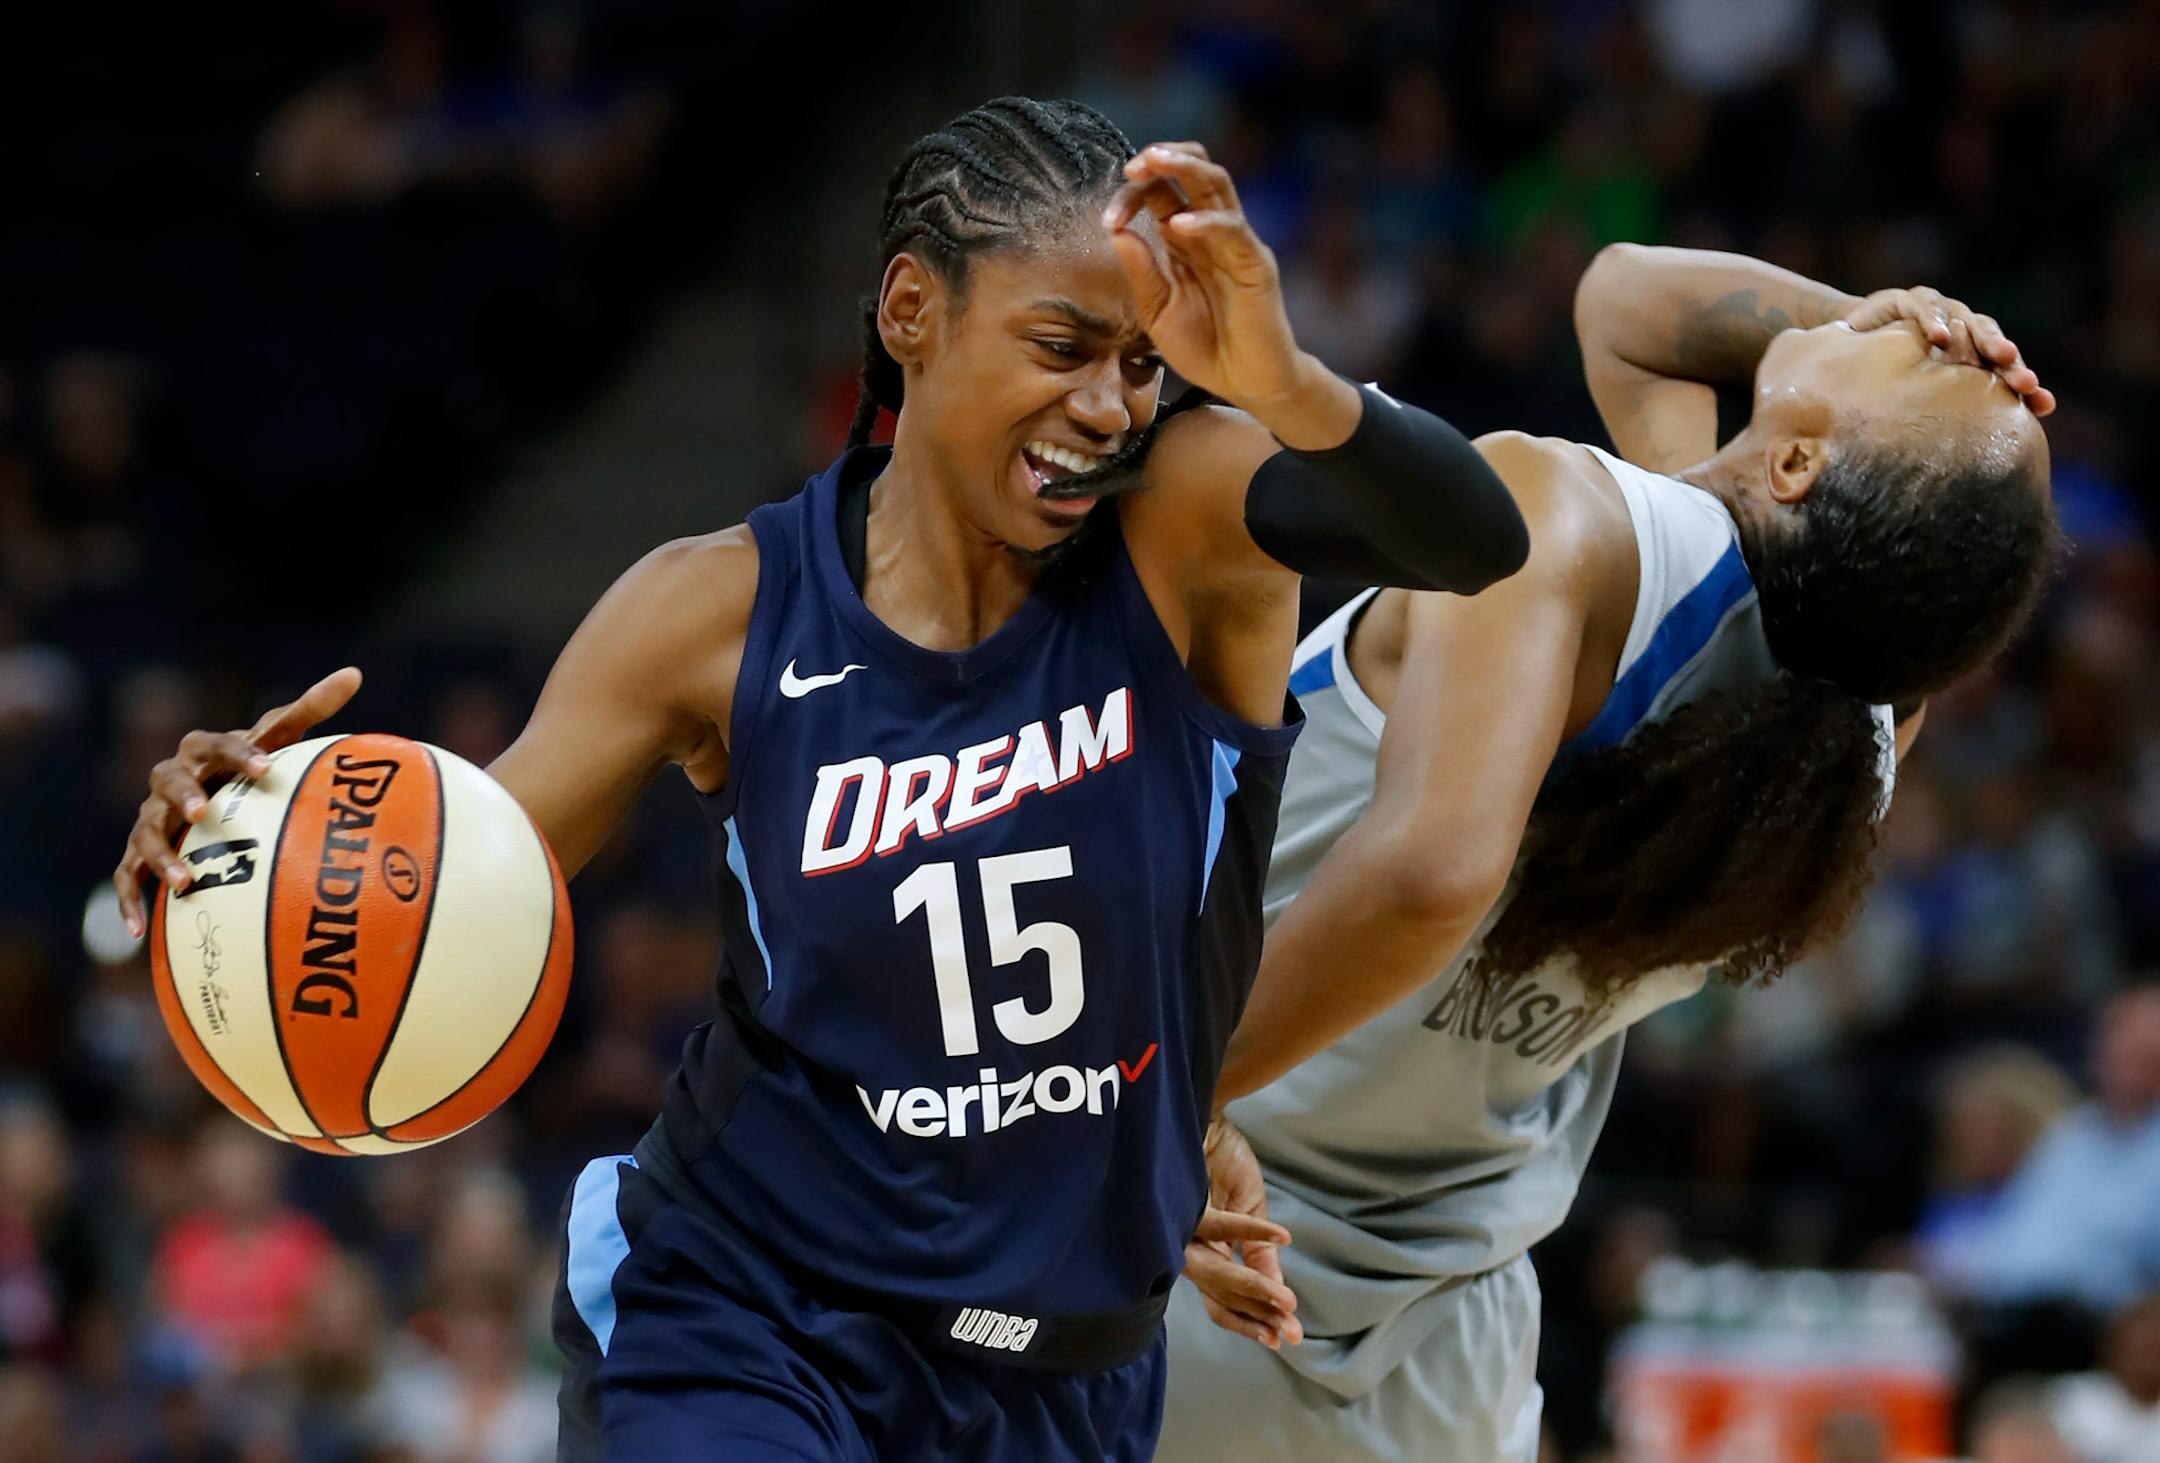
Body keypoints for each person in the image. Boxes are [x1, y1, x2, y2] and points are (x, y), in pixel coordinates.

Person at [110, 98, 1527, 1461]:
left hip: (1067, 1372)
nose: (1107, 404)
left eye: (1141, 362)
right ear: (913, 312)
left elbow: (1474, 538)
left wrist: (1279, 376)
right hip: (747, 1311)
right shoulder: (712, 611)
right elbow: (454, 883)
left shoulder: (1190, 524)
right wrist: (244, 853)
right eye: (1061, 343)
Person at [1156, 243, 2059, 1462]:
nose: (1939, 332)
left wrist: (1158, 1104)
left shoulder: (1558, 513)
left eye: (1922, 359)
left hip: (1207, 1222)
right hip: (1445, 1335)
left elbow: (1431, 874)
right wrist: (1874, 329)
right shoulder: (1860, 731)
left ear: (1795, 461)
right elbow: (1630, 305)